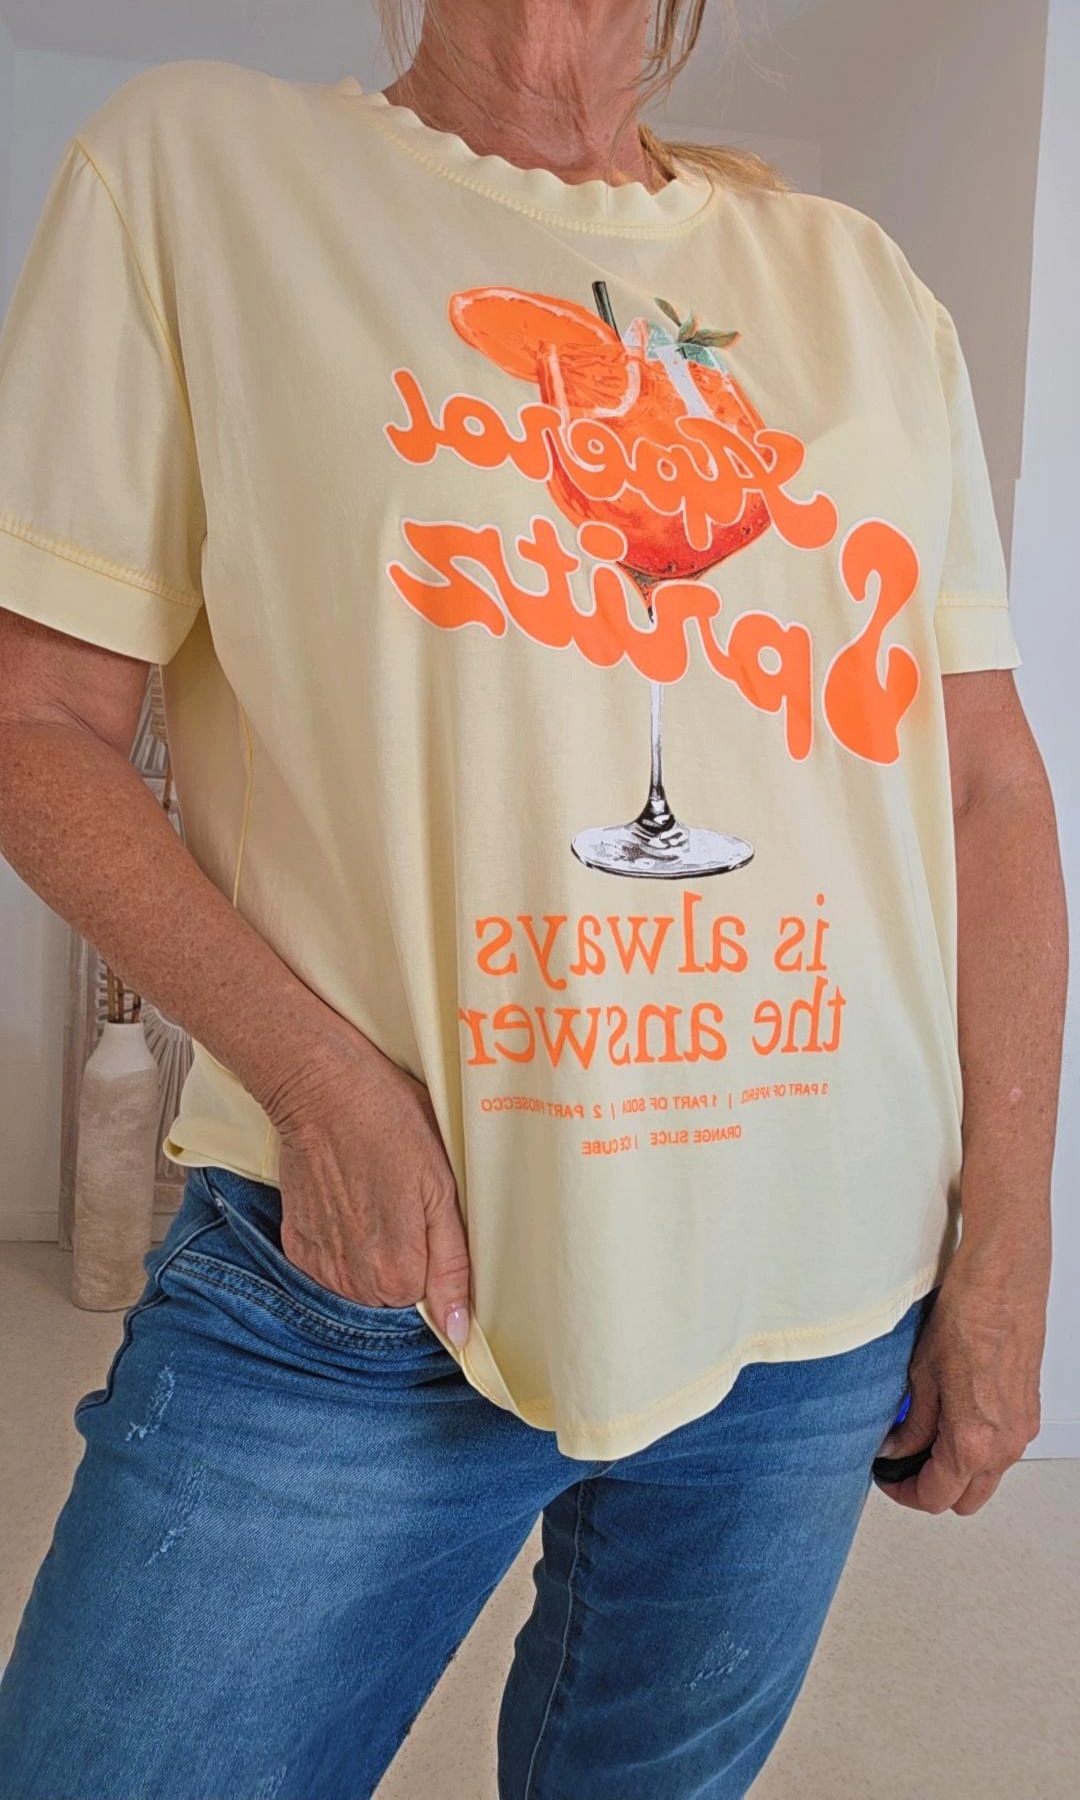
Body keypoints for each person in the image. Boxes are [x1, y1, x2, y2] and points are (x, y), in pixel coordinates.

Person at [0, 2, 1066, 1795]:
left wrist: (1011, 1239)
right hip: (376, 1269)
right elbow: (35, 724)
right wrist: (322, 1090)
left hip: (818, 1276)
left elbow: (986, 784)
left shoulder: (862, 285)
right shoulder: (200, 173)